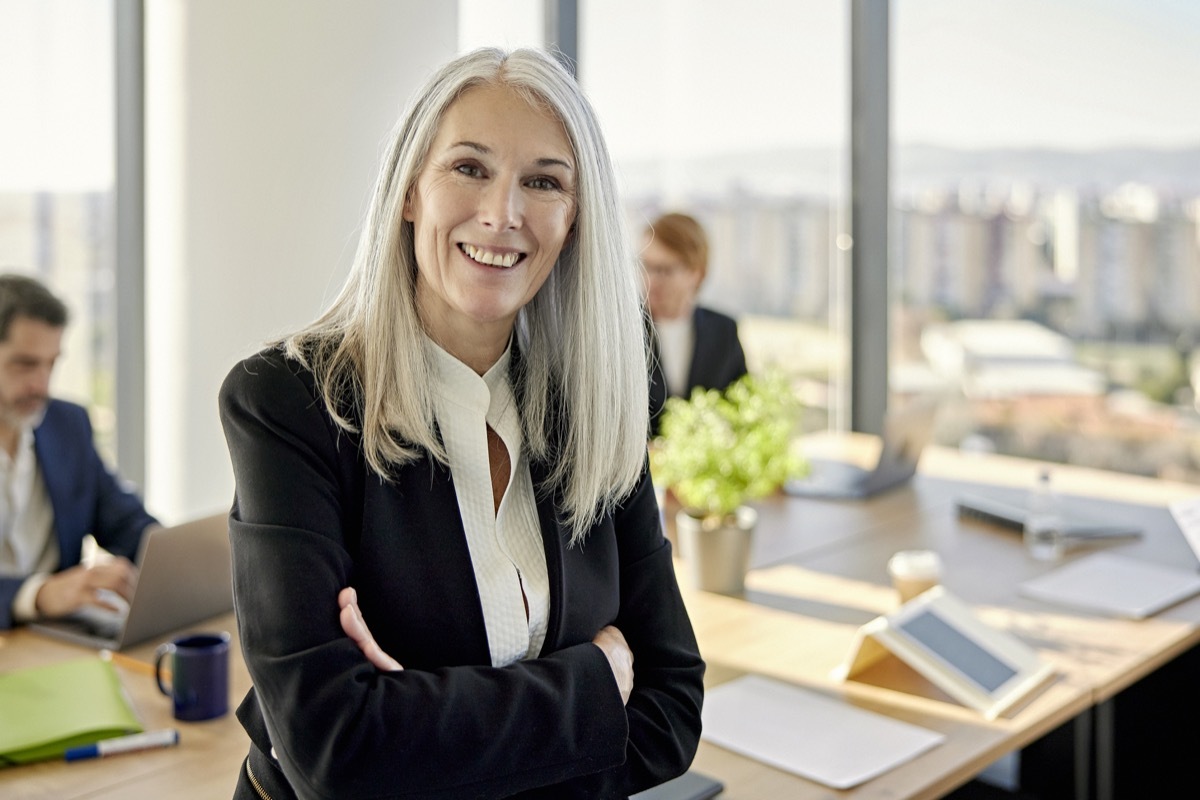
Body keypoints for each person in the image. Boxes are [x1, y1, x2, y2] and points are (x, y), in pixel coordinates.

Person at [219, 47, 704, 799]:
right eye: (469, 168)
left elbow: (671, 712)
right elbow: (332, 750)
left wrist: (420, 728)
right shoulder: (287, 404)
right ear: (411, 190)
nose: (502, 214)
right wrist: (596, 682)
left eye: (543, 182)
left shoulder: (596, 412)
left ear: (574, 221)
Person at [0, 273, 158, 630]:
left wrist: (180, 564)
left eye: (51, 363)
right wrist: (38, 594)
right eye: (25, 364)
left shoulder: (67, 425)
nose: (41, 384)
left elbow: (126, 524)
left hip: (58, 640)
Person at [642, 212, 748, 437]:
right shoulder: (623, 333)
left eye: (664, 270)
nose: (651, 280)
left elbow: (742, 411)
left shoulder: (724, 331)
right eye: (646, 266)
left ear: (696, 273)